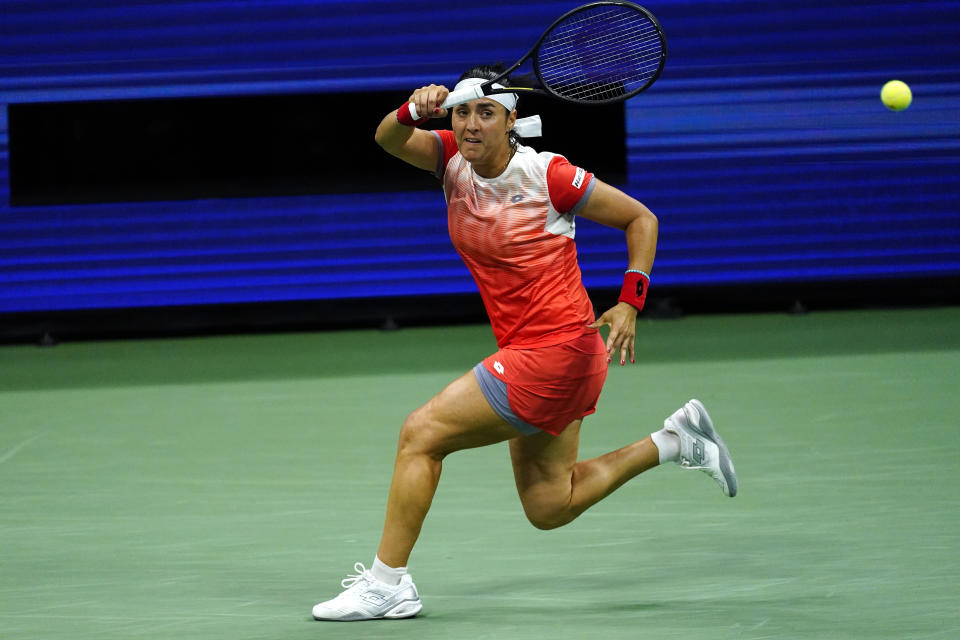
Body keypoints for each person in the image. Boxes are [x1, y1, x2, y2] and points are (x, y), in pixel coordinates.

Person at [311, 65, 738, 622]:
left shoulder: (548, 175)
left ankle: (388, 583)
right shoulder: (450, 161)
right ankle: (675, 441)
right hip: (550, 356)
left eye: (486, 112)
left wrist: (631, 301)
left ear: (511, 119)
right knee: (548, 504)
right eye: (462, 111)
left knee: (421, 435)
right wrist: (413, 110)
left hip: (557, 353)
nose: (470, 124)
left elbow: (641, 219)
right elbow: (388, 139)